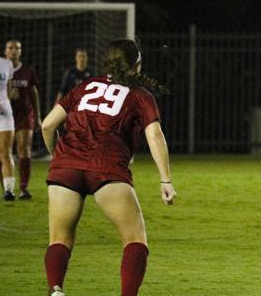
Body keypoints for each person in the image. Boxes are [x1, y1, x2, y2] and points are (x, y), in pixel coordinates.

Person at [41, 39, 177, 296]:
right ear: (136, 64)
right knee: (135, 239)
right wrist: (166, 180)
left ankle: (56, 290)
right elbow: (155, 135)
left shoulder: (85, 86)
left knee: (59, 239)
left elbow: (48, 125)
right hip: (106, 166)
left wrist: (58, 156)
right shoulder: (139, 95)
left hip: (66, 165)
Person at [6, 39, 41, 200]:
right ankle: (8, 189)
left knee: (23, 149)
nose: (14, 50)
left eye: (17, 48)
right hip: (5, 115)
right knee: (4, 152)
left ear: (20, 52)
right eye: (11, 48)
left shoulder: (28, 70)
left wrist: (38, 116)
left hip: (25, 115)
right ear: (5, 51)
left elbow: (34, 93)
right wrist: (7, 96)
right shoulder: (0, 69)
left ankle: (24, 188)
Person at [0, 41, 17, 201]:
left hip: (4, 113)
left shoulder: (6, 63)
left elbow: (8, 88)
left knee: (5, 152)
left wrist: (11, 97)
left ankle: (9, 191)